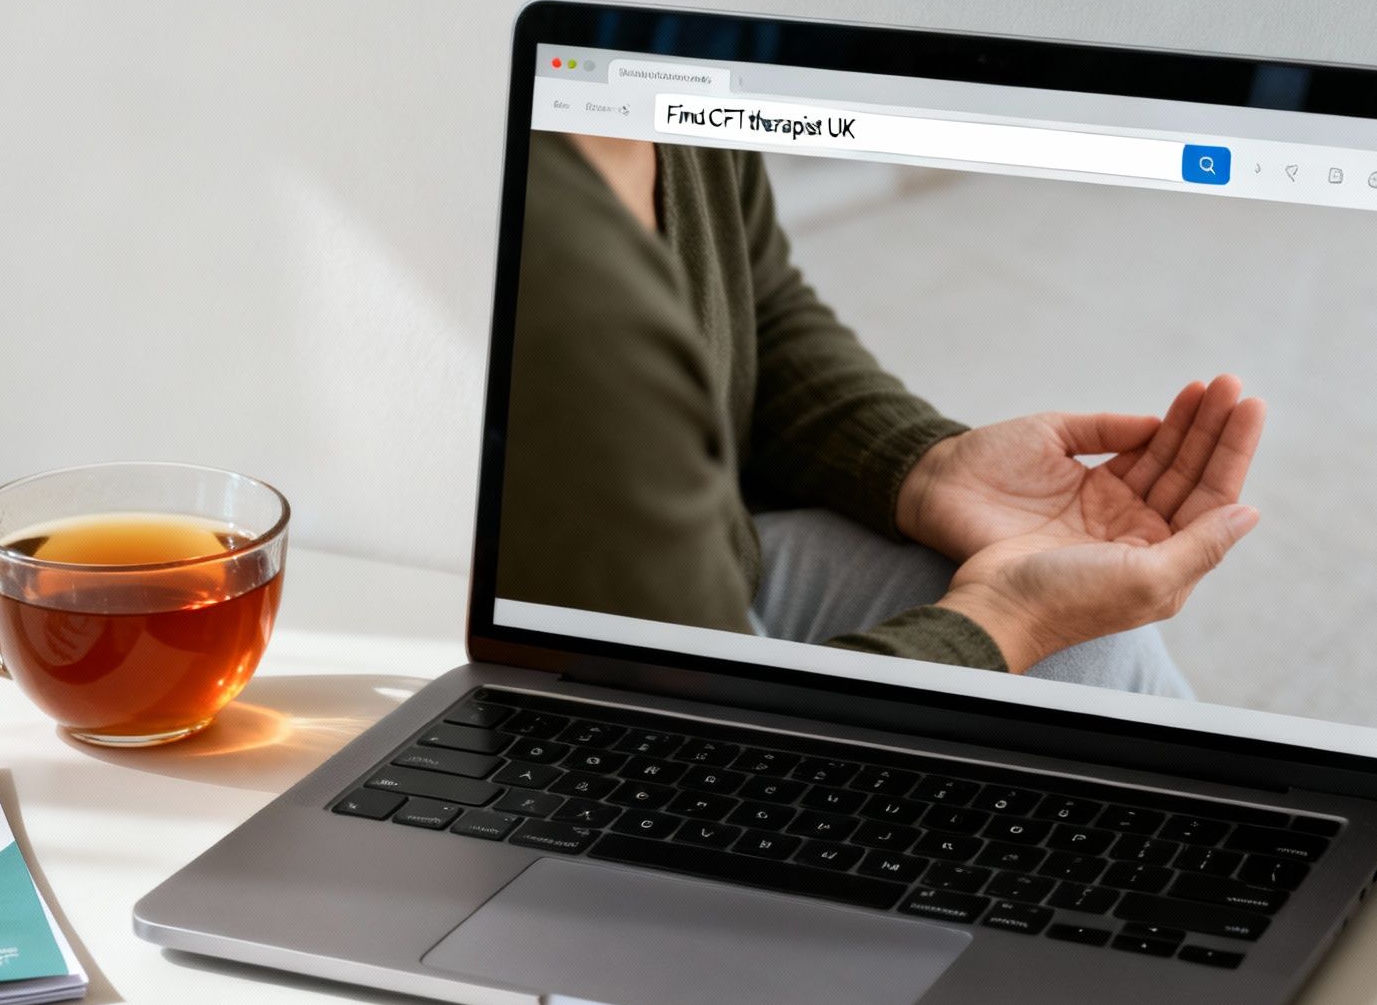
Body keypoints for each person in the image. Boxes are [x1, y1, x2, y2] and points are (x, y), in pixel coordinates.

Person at [497, 133, 1266, 695]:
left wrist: (927, 466)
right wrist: (1013, 617)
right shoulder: (568, 294)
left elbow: (757, 302)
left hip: (710, 564)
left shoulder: (654, 76)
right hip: (619, 696)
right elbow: (717, 737)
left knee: (1104, 656)